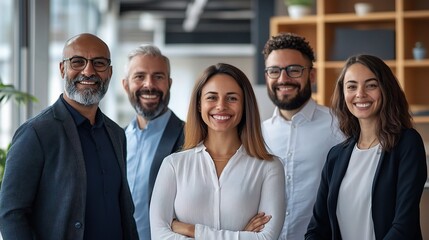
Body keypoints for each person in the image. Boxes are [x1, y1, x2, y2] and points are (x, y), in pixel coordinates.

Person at [0, 33, 138, 240]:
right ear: (63, 68)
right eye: (78, 62)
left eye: (98, 63)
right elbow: (11, 214)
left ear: (109, 72)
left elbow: (123, 210)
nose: (88, 71)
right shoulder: (36, 133)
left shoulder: (116, 134)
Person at [150, 63, 286, 239]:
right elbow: (160, 236)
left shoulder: (269, 167)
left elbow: (266, 238)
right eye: (212, 97)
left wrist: (192, 230)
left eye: (232, 98)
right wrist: (241, 235)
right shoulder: (173, 165)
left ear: (245, 105)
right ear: (199, 105)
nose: (221, 106)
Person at [305, 54, 427, 240]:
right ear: (343, 93)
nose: (360, 94)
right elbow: (318, 228)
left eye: (371, 85)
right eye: (352, 86)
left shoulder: (407, 144)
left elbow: (404, 225)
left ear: (386, 89)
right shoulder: (336, 155)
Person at [262, 32, 344, 239]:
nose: (283, 79)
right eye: (274, 71)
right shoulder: (256, 133)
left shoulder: (341, 127)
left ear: (312, 76)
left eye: (294, 70)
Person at [122, 44, 184, 239]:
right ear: (126, 85)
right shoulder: (116, 138)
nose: (149, 85)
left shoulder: (192, 137)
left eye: (158, 76)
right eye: (139, 76)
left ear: (169, 83)